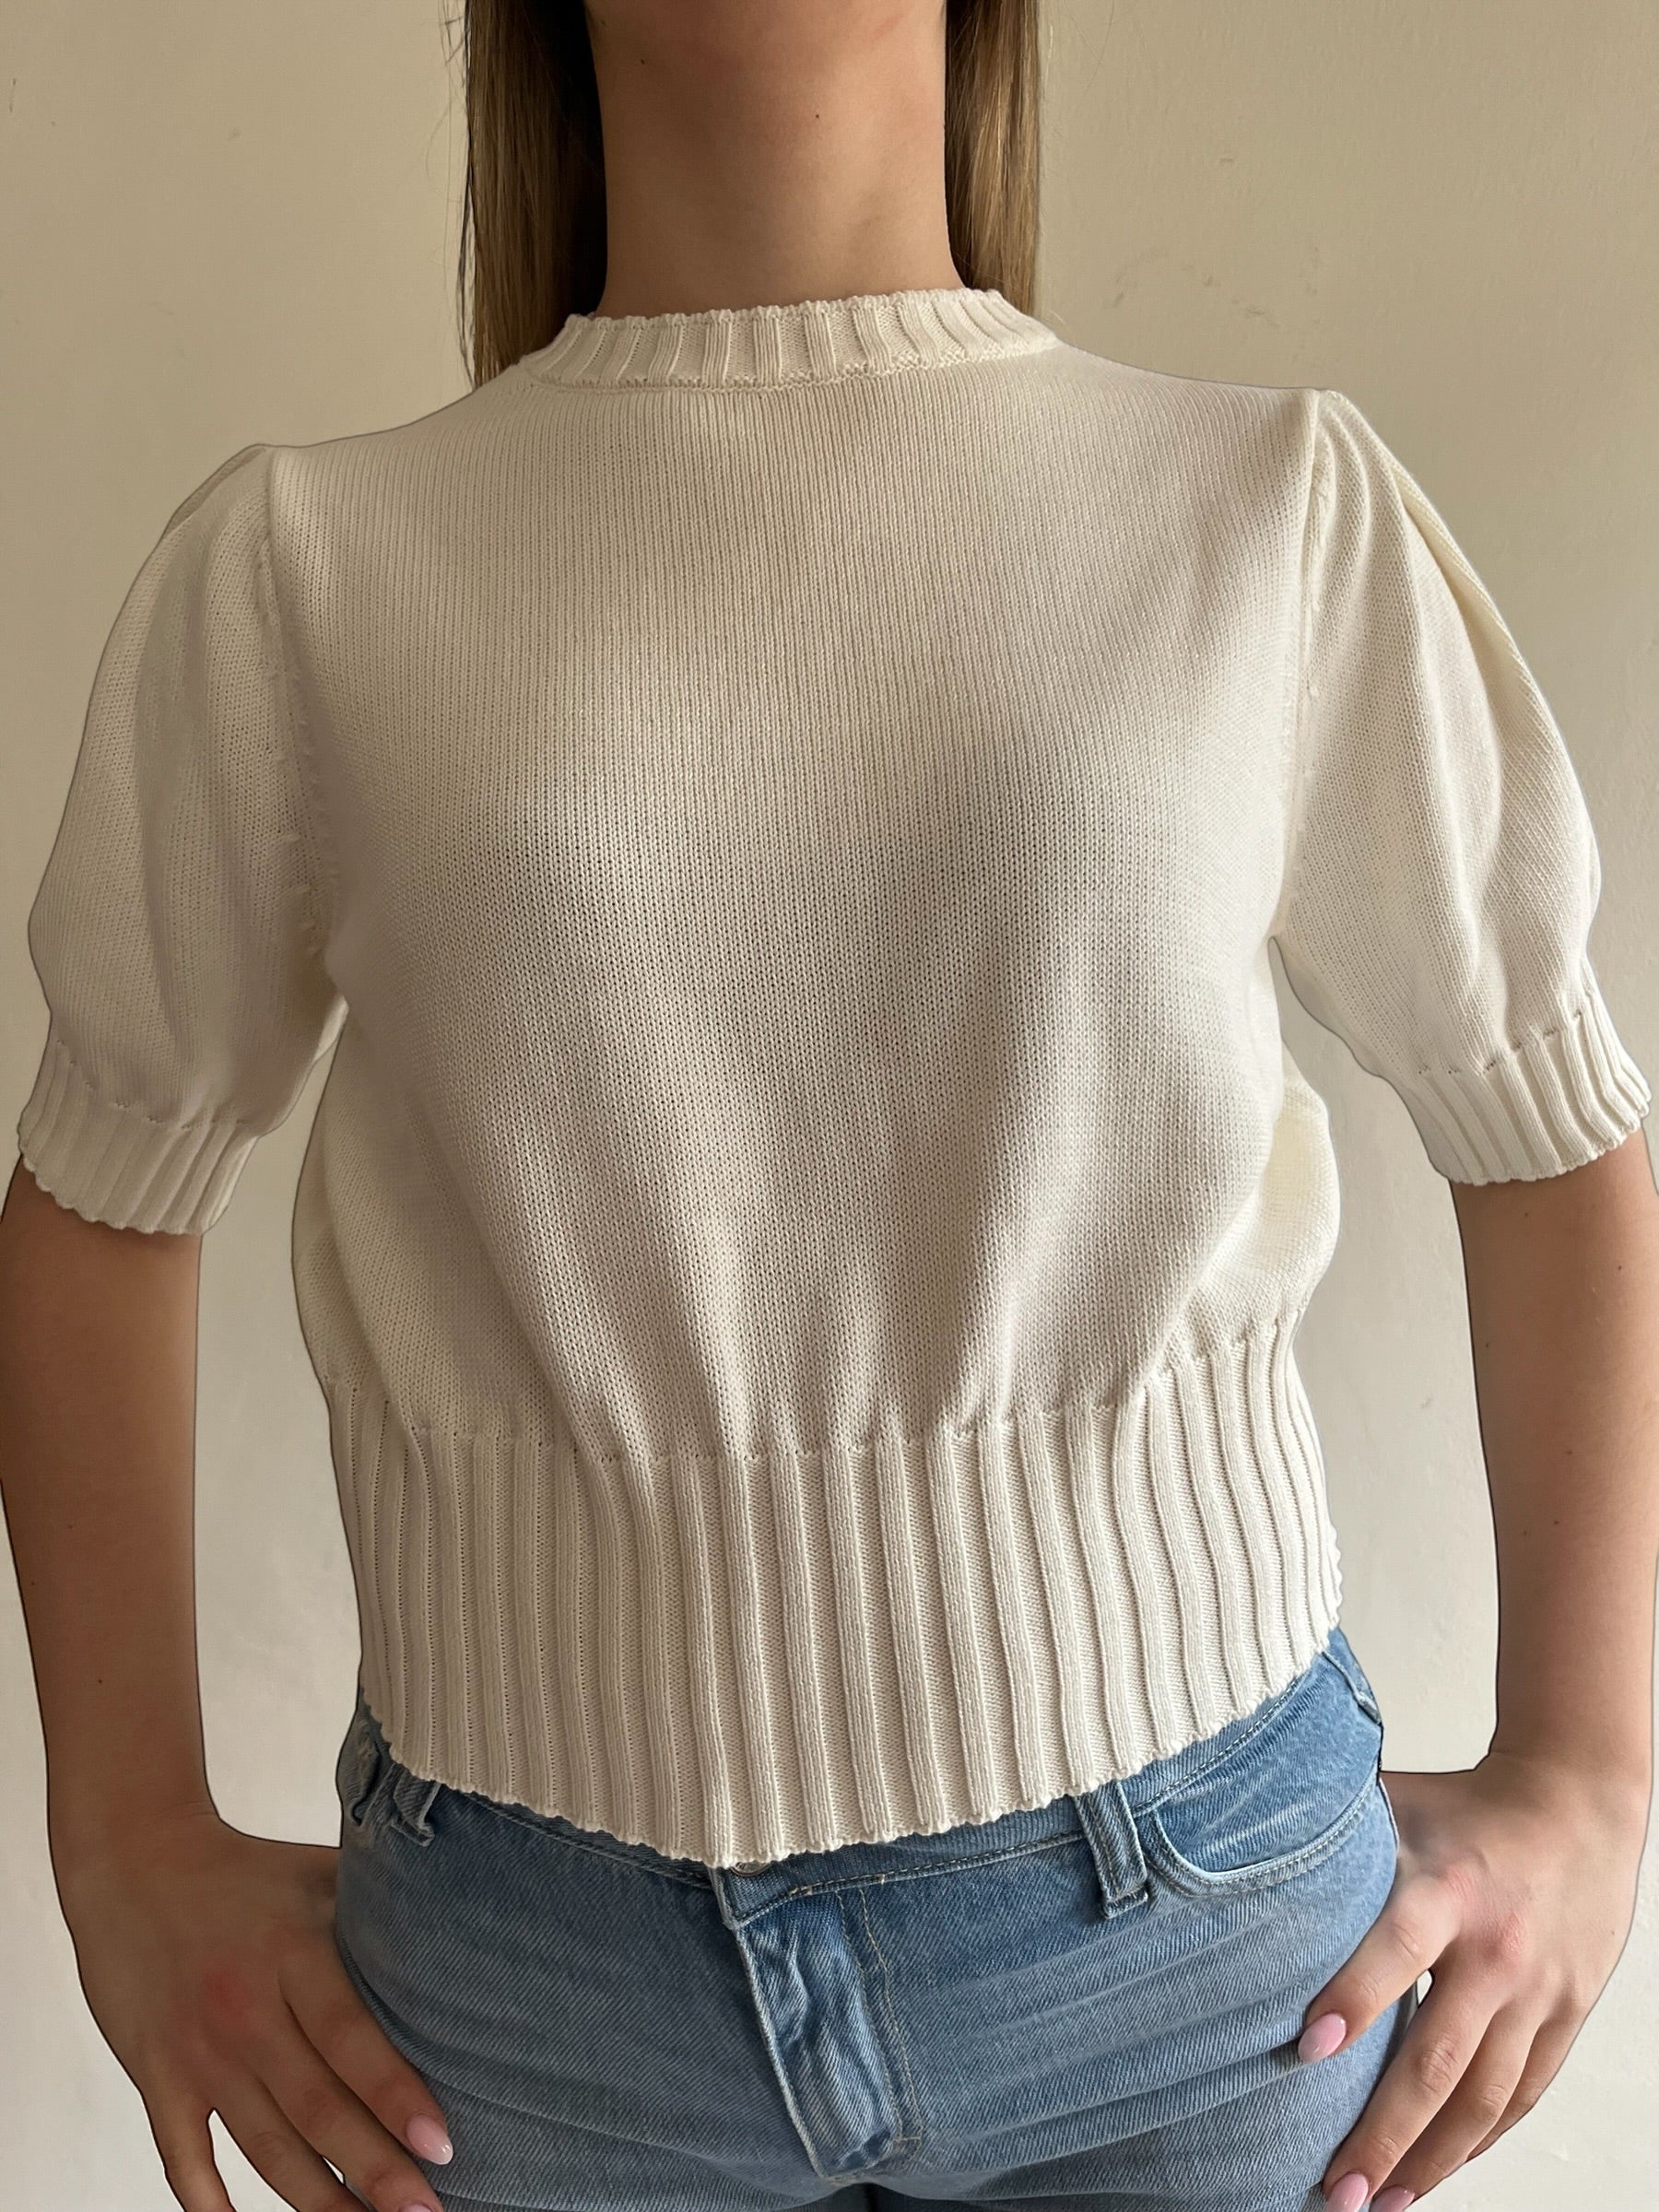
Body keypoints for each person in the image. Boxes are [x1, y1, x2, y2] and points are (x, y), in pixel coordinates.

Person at [3, 4, 1655, 2210]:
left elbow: (1549, 1114)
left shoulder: (1263, 506)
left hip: (1201, 1956)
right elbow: (101, 1188)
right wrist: (120, 1840)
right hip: (527, 1995)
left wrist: (1591, 1773)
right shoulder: (311, 564)